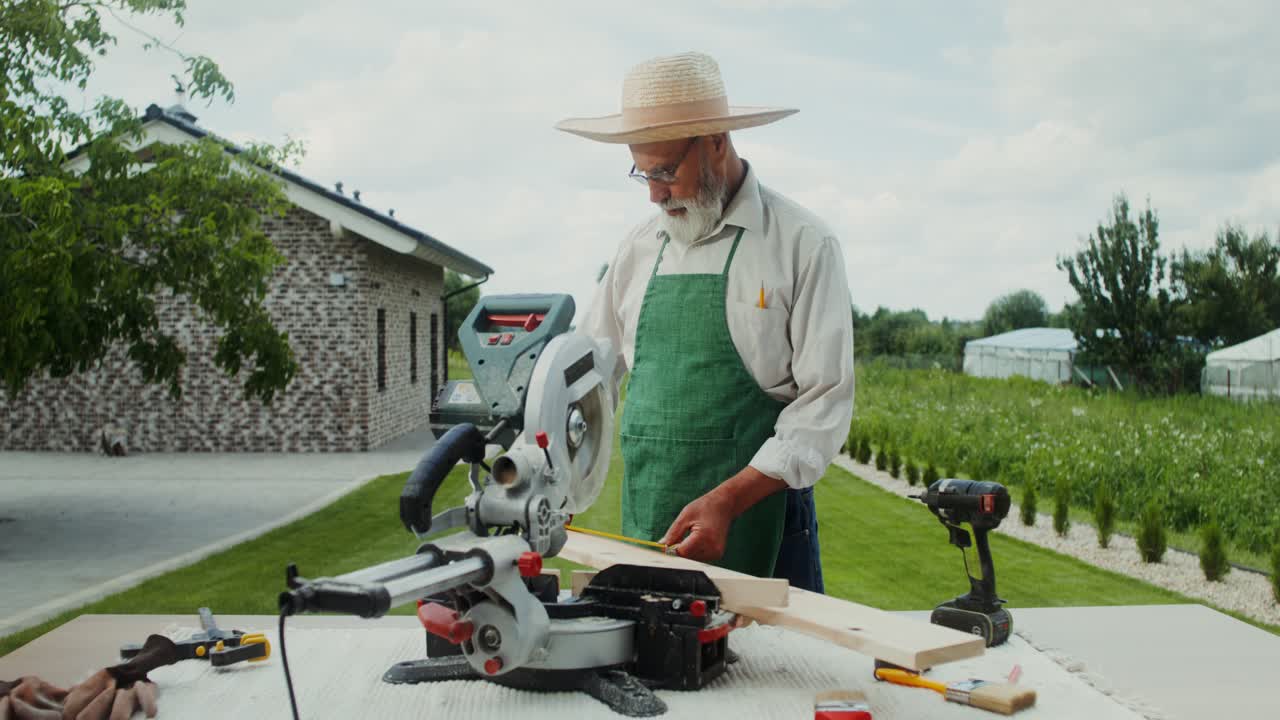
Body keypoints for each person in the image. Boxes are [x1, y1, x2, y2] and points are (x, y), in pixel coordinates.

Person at [559, 51, 854, 592]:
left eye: (666, 172)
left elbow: (823, 405)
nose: (655, 193)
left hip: (764, 528)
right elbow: (585, 378)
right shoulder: (636, 249)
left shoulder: (803, 244)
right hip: (649, 526)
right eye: (642, 174)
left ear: (717, 141)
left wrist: (728, 501)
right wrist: (561, 475)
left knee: (776, 649)